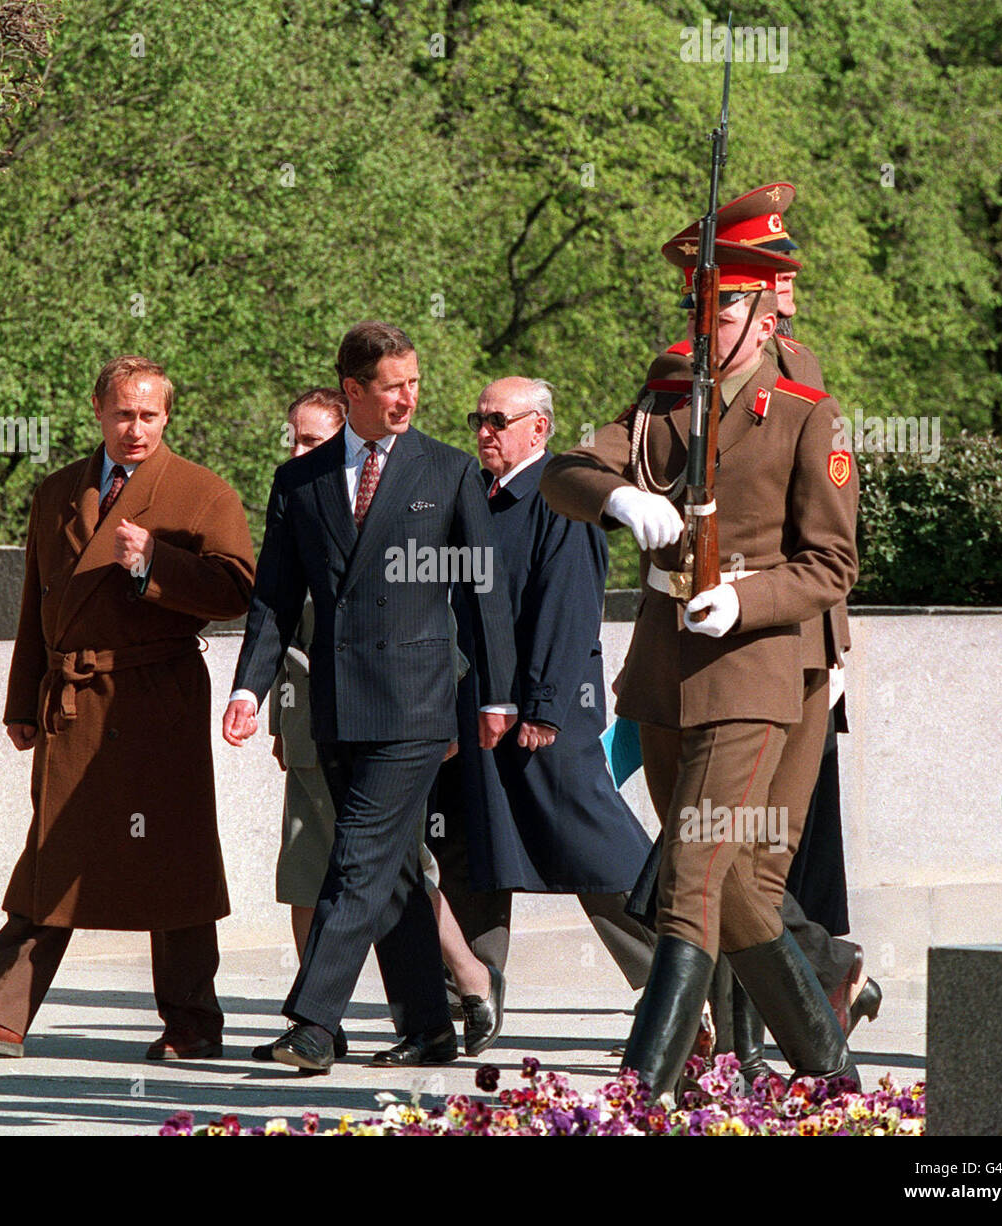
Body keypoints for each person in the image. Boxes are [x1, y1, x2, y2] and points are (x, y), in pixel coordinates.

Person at [540, 241, 860, 1094]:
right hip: (667, 669)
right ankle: (832, 1072)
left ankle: (641, 1093)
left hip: (758, 669)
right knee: (744, 888)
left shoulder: (804, 411)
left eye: (720, 310)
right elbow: (563, 472)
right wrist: (617, 496)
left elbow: (832, 564)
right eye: (697, 307)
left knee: (691, 872)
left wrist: (746, 602)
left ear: (762, 315)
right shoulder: (665, 398)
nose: (704, 325)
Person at [0, 355, 256, 1060]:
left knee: (175, 858)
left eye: (150, 416)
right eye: (124, 414)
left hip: (157, 701)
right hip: (73, 703)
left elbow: (236, 591)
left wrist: (154, 562)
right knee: (50, 855)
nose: (137, 429)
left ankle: (193, 1024)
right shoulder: (57, 491)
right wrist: (21, 700)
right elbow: (37, 607)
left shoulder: (201, 492)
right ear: (98, 412)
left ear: (168, 416)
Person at [224, 321, 517, 1073]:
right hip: (336, 704)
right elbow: (275, 599)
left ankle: (313, 1023)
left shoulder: (446, 472)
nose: (408, 398)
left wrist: (499, 698)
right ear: (353, 390)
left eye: (414, 382)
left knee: (356, 856)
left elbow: (484, 594)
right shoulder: (301, 481)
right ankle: (429, 1027)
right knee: (385, 875)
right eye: (392, 385)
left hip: (418, 705)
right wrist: (250, 688)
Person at [643, 185, 879, 1078]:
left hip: (786, 652)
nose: (786, 290)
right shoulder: (681, 379)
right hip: (710, 653)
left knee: (738, 872)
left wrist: (827, 644)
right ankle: (808, 1060)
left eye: (774, 278)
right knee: (726, 876)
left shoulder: (796, 380)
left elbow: (819, 541)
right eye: (767, 275)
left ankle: (663, 1087)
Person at [429, 376, 657, 1013]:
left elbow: (569, 607)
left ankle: (680, 973)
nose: (484, 432)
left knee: (591, 848)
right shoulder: (475, 494)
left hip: (545, 712)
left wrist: (547, 707)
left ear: (539, 427)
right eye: (479, 419)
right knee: (472, 845)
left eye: (499, 420)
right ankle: (470, 991)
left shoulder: (561, 495)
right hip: (478, 706)